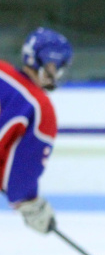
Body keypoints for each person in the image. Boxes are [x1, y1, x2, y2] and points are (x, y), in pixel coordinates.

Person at [1, 27, 73, 234]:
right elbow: (20, 174)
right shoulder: (40, 108)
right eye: (55, 65)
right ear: (39, 60)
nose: (57, 72)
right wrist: (30, 204)